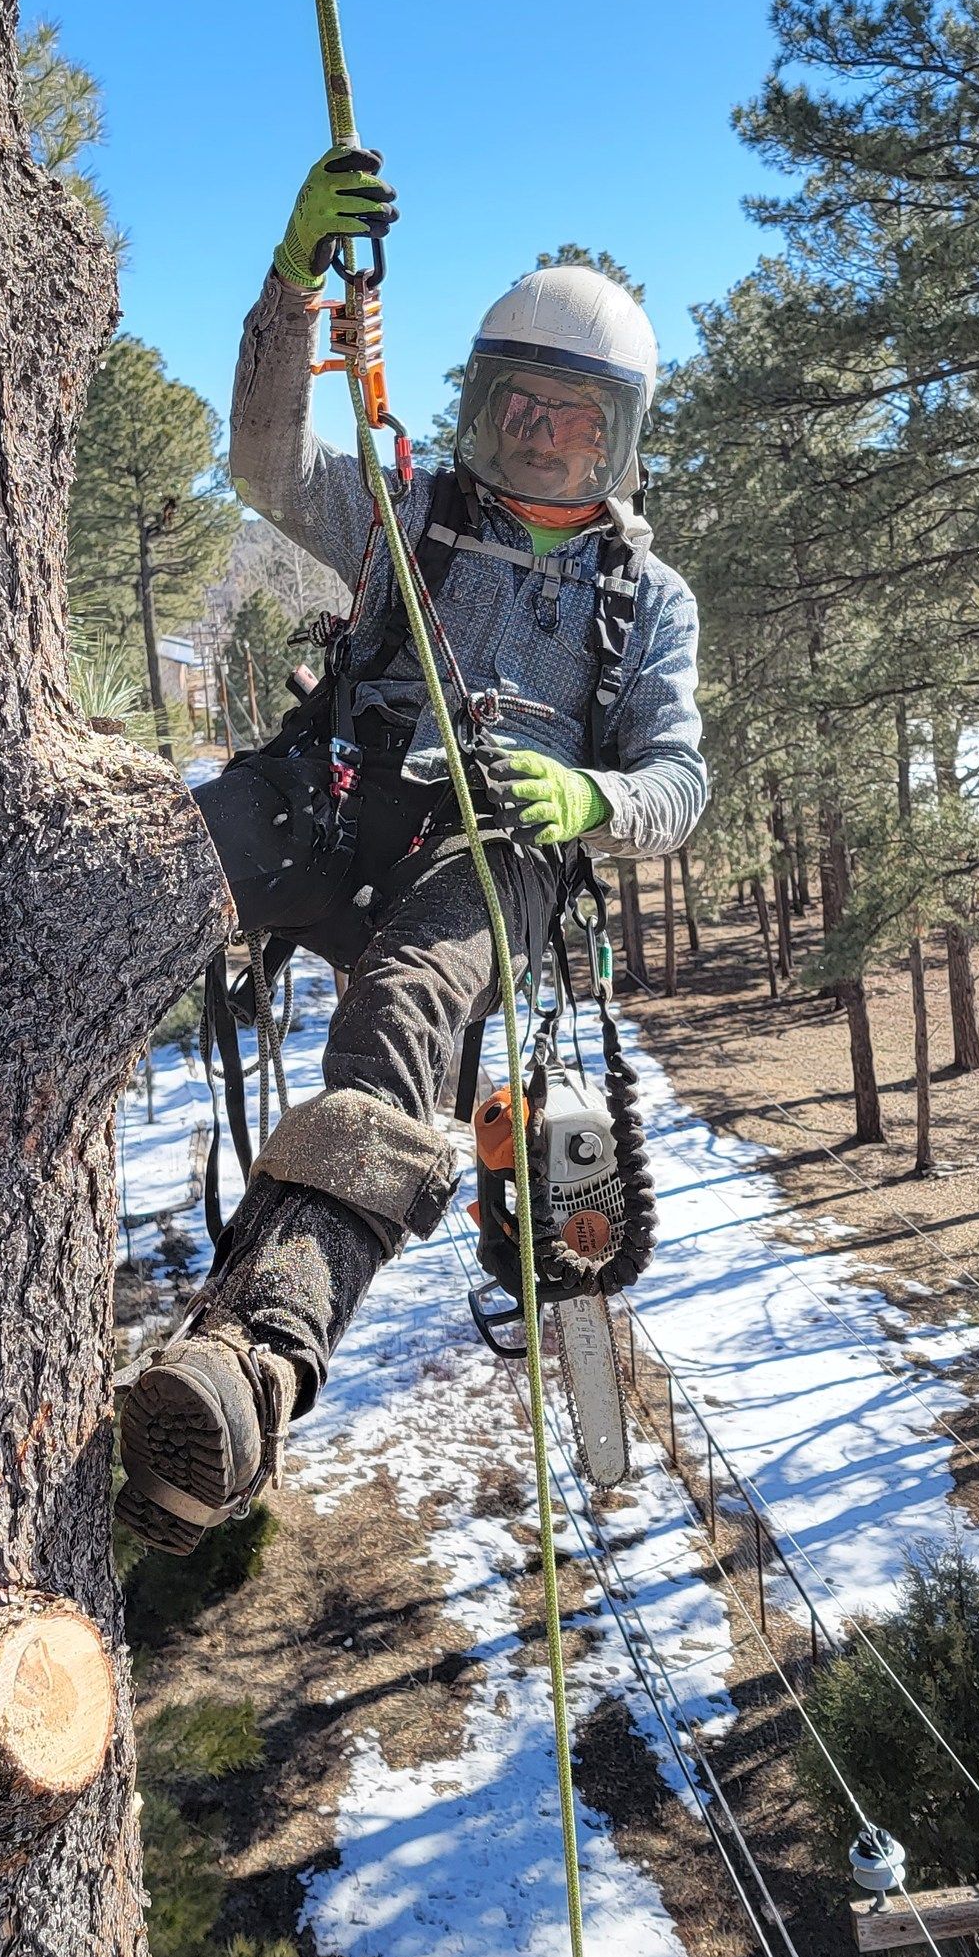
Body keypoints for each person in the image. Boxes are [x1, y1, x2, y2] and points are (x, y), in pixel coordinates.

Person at [117, 149, 708, 1553]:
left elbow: (678, 779)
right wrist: (287, 285)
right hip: (336, 793)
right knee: (137, 876)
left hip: (493, 849)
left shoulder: (645, 599)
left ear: (621, 441)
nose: (552, 446)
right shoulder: (411, 516)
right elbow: (262, 462)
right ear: (485, 412)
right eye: (525, 416)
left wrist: (585, 803)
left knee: (405, 1015)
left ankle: (255, 1359)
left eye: (581, 426)